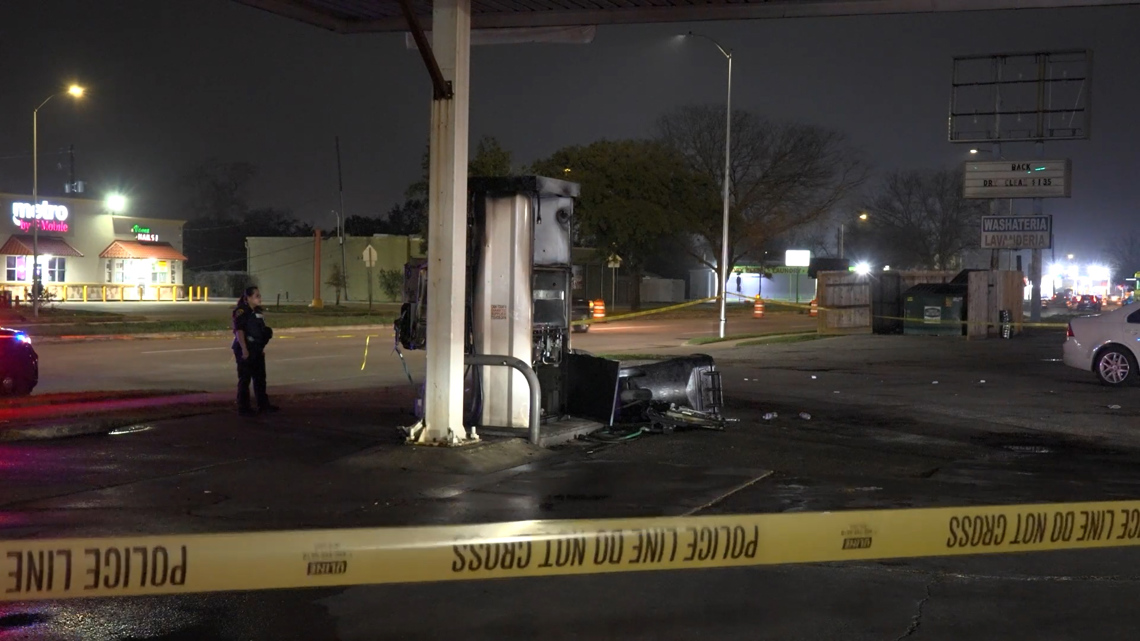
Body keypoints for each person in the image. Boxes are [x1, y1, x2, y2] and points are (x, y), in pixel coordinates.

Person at [232, 286, 278, 416]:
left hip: (256, 349)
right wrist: (244, 349)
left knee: (260, 378)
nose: (260, 298)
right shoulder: (241, 311)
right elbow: (239, 331)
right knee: (245, 379)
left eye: (259, 295)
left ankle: (263, 405)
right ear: (248, 298)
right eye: (257, 296)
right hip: (245, 348)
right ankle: (244, 408)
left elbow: (260, 332)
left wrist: (260, 348)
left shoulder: (257, 312)